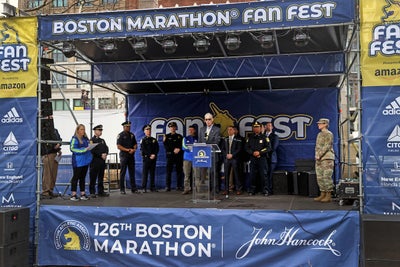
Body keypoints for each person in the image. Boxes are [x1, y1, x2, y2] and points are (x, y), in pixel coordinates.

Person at [245, 121, 272, 196]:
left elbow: (269, 148)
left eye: (257, 127)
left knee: (263, 175)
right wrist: (252, 152)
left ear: (260, 128)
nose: (256, 128)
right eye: (254, 127)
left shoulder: (264, 137)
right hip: (253, 159)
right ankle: (252, 190)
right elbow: (246, 148)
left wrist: (260, 152)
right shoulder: (250, 137)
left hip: (262, 159)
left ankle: (265, 190)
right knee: (252, 175)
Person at [198, 113, 221, 195]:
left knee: (213, 173)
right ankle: (206, 190)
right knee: (203, 173)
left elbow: (216, 142)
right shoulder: (201, 129)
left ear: (212, 120)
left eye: (209, 119)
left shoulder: (217, 129)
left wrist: (207, 145)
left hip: (213, 155)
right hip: (203, 155)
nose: (208, 121)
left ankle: (215, 190)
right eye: (206, 119)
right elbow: (199, 141)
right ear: (204, 120)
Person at [313, 118, 335, 203]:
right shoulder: (319, 134)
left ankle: (328, 195)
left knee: (326, 176)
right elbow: (317, 146)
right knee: (320, 176)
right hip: (319, 158)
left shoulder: (329, 134)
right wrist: (316, 155)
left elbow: (327, 146)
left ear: (325, 124)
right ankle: (322, 193)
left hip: (327, 158)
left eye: (320, 123)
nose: (318, 125)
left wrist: (320, 155)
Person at [69, 124, 92, 201]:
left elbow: (88, 146)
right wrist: (83, 150)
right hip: (78, 161)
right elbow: (72, 148)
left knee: (82, 177)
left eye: (84, 129)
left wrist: (91, 146)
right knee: (76, 177)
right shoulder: (75, 138)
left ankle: (82, 193)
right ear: (78, 130)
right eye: (81, 129)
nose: (83, 131)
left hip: (85, 161)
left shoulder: (85, 138)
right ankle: (73, 194)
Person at [221, 125, 243, 196]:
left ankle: (238, 189)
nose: (229, 131)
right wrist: (226, 155)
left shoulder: (238, 139)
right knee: (226, 174)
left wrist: (232, 155)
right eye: (228, 130)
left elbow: (239, 149)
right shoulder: (225, 139)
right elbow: (223, 149)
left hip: (234, 159)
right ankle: (226, 190)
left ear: (234, 131)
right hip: (227, 159)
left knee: (236, 175)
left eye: (230, 129)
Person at [41, 126, 62, 199]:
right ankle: (45, 191)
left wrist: (58, 146)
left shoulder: (55, 130)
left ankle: (50, 190)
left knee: (53, 173)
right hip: (47, 154)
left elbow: (59, 139)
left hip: (55, 154)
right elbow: (44, 141)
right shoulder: (43, 130)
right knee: (47, 173)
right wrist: (53, 146)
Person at [117, 121, 138, 194]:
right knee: (123, 172)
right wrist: (128, 150)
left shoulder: (132, 135)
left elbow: (135, 144)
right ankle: (122, 189)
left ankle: (134, 188)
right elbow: (119, 146)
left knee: (132, 172)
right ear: (124, 127)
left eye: (129, 126)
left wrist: (134, 149)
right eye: (127, 126)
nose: (128, 128)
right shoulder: (121, 135)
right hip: (124, 156)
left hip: (131, 155)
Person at [89, 124, 109, 198]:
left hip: (102, 161)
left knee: (101, 176)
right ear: (95, 131)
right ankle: (92, 192)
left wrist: (105, 154)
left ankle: (100, 191)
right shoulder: (92, 140)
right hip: (95, 161)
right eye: (99, 130)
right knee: (93, 177)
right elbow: (93, 150)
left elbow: (106, 148)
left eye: (101, 130)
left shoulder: (102, 140)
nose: (100, 132)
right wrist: (101, 155)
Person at [163, 121, 184, 191]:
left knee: (179, 171)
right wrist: (173, 149)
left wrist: (179, 149)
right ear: (169, 128)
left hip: (178, 156)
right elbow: (166, 146)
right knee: (168, 171)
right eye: (171, 127)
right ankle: (167, 186)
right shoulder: (166, 136)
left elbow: (182, 146)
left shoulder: (180, 136)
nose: (172, 128)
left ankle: (179, 186)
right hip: (170, 156)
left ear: (176, 128)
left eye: (174, 127)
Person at [140, 124, 159, 192]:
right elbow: (143, 149)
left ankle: (152, 187)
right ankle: (143, 187)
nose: (148, 131)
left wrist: (154, 154)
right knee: (145, 173)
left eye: (149, 129)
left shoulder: (154, 140)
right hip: (146, 158)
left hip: (153, 158)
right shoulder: (143, 140)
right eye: (147, 130)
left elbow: (157, 148)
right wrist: (150, 155)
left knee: (152, 173)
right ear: (144, 131)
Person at [263, 121, 279, 196]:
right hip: (263, 159)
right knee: (264, 175)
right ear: (265, 127)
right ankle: (265, 189)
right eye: (267, 125)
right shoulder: (262, 136)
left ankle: (270, 190)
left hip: (272, 159)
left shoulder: (275, 136)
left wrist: (264, 151)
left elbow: (274, 148)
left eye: (270, 125)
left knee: (270, 175)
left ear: (272, 127)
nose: (269, 127)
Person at [181, 125, 198, 195]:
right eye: (189, 130)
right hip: (187, 159)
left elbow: (200, 147)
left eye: (192, 130)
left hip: (196, 159)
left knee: (197, 175)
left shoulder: (198, 138)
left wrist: (192, 148)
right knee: (186, 175)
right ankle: (186, 189)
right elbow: (184, 147)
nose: (190, 131)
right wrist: (192, 148)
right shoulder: (185, 138)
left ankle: (197, 189)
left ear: (194, 130)